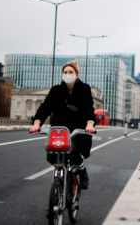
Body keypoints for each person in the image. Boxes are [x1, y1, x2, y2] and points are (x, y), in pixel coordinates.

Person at [30, 60, 96, 189]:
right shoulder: (56, 90)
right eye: (65, 72)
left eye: (70, 72)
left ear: (77, 75)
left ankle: (82, 172)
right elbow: (45, 107)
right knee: (52, 155)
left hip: (78, 130)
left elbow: (89, 107)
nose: (67, 74)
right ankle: (61, 180)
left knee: (73, 151)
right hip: (59, 130)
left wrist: (90, 123)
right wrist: (37, 123)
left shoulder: (84, 88)